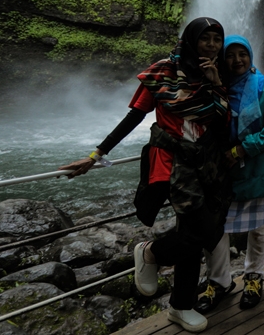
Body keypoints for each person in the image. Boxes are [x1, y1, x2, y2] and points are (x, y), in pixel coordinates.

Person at [59, 17, 232, 333]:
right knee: (202, 233)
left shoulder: (215, 75)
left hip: (207, 165)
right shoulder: (163, 71)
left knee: (198, 235)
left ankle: (180, 305)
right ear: (191, 39)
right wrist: (96, 155)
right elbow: (134, 116)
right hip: (173, 162)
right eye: (205, 38)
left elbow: (221, 123)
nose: (211, 44)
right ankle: (150, 253)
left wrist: (215, 81)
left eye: (216, 39)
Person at [196, 35, 264, 313]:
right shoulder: (217, 86)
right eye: (230, 55)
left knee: (261, 229)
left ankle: (254, 277)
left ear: (251, 56)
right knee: (216, 228)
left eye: (242, 54)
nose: (237, 60)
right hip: (225, 173)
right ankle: (219, 281)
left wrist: (242, 150)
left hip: (261, 170)